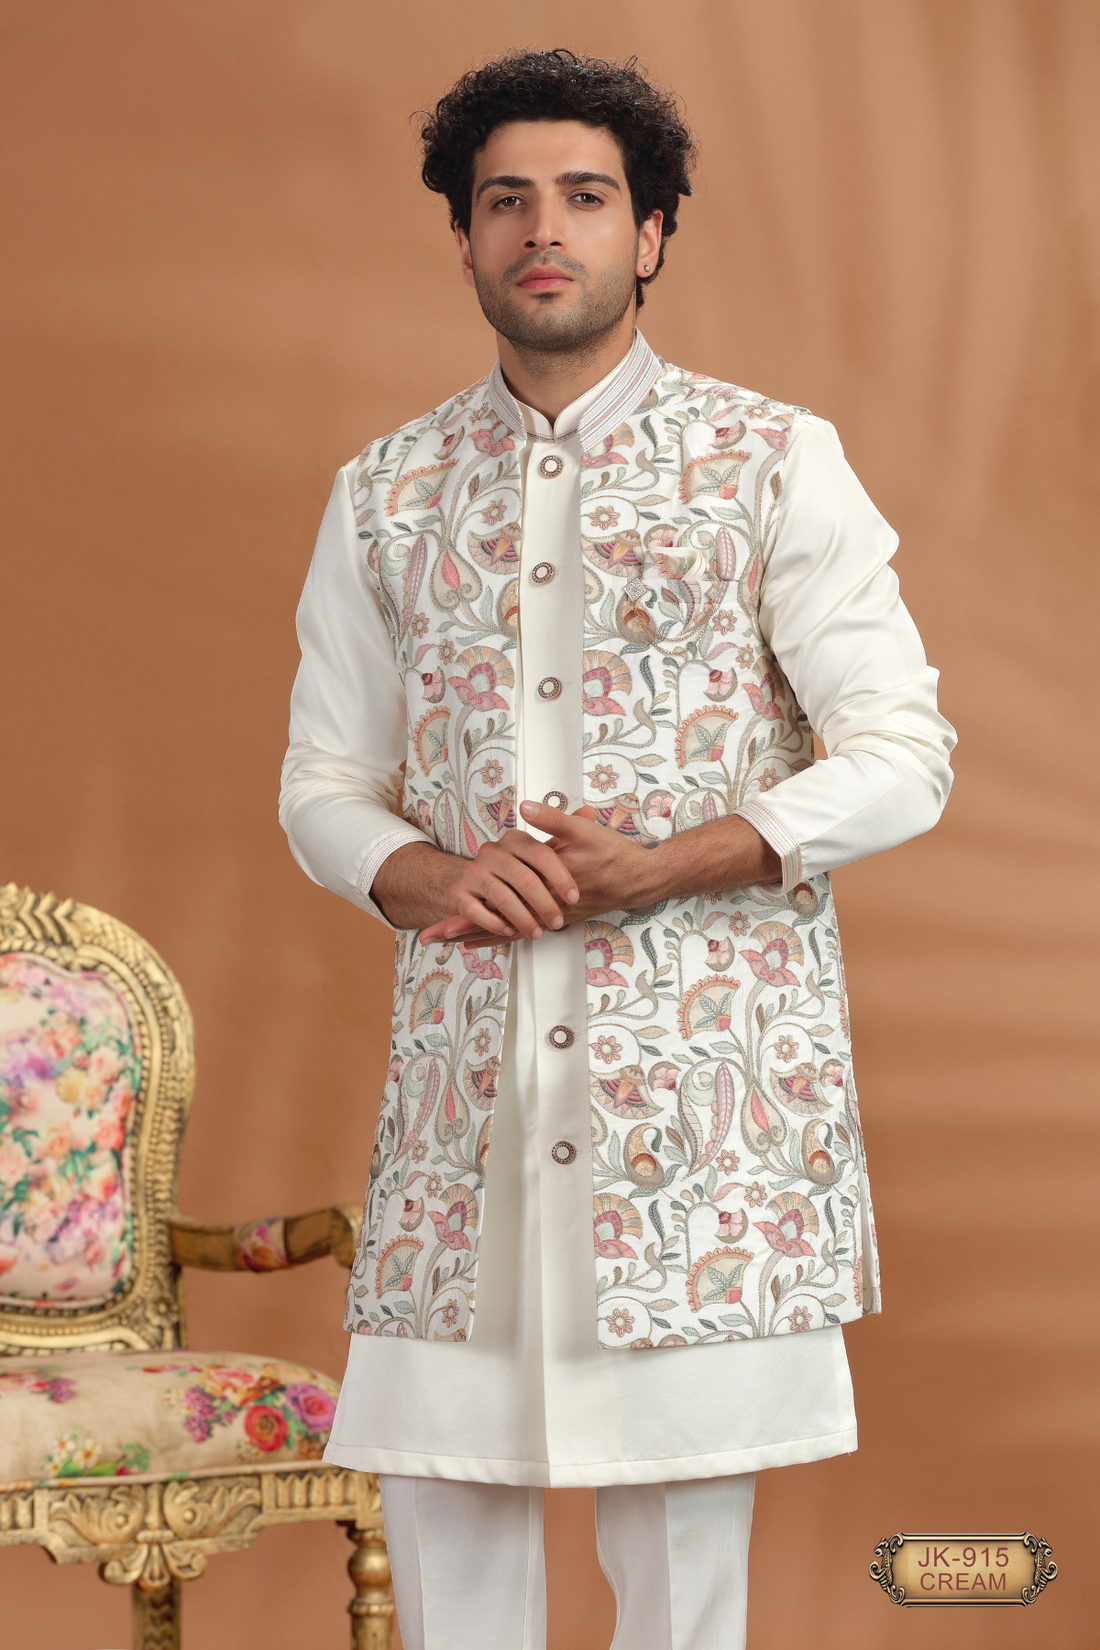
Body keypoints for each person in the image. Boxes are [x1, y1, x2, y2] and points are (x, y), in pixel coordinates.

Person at [279, 47, 956, 1650]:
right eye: (505, 199)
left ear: (649, 233)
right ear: (461, 239)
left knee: (682, 1583)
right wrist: (419, 873)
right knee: (451, 1555)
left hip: (697, 1123)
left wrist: (682, 857)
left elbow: (905, 755)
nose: (545, 228)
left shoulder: (775, 462)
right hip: (468, 1116)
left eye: (586, 197)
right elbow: (322, 779)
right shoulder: (383, 494)